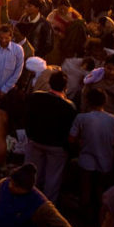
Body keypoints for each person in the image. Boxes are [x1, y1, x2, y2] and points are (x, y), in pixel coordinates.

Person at [24, 70, 78, 201]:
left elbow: (27, 118)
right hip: (57, 147)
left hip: (35, 141)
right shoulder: (69, 106)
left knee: (32, 174)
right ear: (66, 87)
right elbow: (70, 130)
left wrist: (30, 135)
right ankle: (46, 206)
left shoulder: (35, 97)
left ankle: (26, 198)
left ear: (49, 83)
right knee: (52, 179)